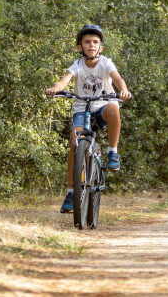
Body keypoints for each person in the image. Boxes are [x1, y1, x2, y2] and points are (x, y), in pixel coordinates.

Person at [44, 24, 131, 215]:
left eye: (95, 42)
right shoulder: (77, 65)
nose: (91, 45)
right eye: (87, 42)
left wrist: (123, 90)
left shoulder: (106, 63)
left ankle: (112, 152)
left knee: (114, 108)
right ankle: (70, 192)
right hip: (82, 108)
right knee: (75, 143)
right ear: (80, 47)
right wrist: (56, 88)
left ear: (101, 47)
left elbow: (118, 79)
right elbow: (64, 80)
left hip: (102, 107)